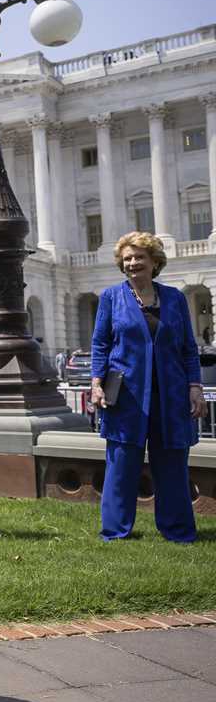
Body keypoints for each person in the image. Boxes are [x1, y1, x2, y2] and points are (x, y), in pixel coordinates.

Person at [90, 232, 202, 543]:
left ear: (154, 262)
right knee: (122, 464)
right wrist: (97, 382)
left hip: (171, 394)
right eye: (127, 258)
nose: (132, 263)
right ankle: (115, 531)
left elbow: (188, 349)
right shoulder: (112, 297)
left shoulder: (175, 299)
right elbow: (100, 344)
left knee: (172, 466)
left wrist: (195, 386)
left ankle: (178, 530)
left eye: (139, 257)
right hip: (126, 394)